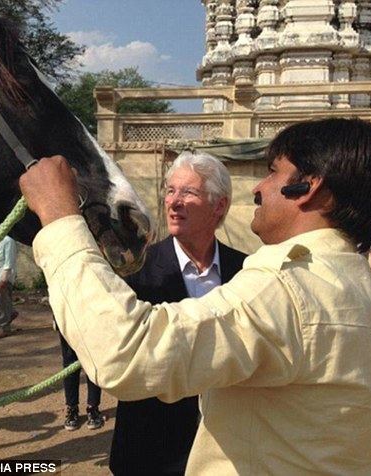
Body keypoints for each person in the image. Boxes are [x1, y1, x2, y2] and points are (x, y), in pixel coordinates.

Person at [20, 118, 371, 474]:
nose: (257, 188)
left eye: (273, 173)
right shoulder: (363, 292)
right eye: (170, 191)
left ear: (309, 187)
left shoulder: (285, 285)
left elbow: (127, 353)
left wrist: (58, 217)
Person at [110, 151, 246, 476]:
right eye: (170, 190)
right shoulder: (135, 271)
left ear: (219, 206)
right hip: (151, 454)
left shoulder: (247, 271)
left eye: (188, 192)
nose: (173, 202)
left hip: (228, 452)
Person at [58, 328, 105, 431]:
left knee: (93, 362)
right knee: (70, 362)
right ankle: (72, 408)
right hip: (67, 318)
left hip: (91, 319)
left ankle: (93, 407)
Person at [0, 235, 19, 339]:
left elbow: (9, 262)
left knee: (3, 303)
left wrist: (4, 278)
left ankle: (4, 328)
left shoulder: (8, 240)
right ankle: (10, 313)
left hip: (2, 279)